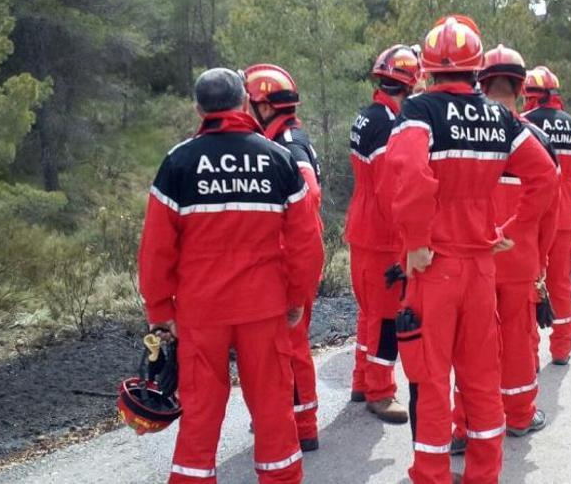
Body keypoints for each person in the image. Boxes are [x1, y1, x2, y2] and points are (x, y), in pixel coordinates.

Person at [386, 17, 558, 483]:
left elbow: (409, 173)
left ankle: (432, 474)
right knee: (483, 378)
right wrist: (512, 229)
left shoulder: (418, 111)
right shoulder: (499, 116)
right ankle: (485, 474)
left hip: (435, 267)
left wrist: (417, 242)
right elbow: (545, 178)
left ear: (427, 68)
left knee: (432, 378)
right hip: (482, 267)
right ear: (474, 68)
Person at [137, 68, 324, 483]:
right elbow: (307, 242)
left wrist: (159, 308)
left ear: (198, 108)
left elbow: (155, 248)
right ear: (243, 103)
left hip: (201, 313)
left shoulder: (178, 161)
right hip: (264, 308)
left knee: (201, 415)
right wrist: (297, 297)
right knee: (274, 413)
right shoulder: (277, 157)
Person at [451, 45, 559, 454]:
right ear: (520, 87)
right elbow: (549, 211)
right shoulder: (536, 139)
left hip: (472, 256)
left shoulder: (461, 133)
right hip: (517, 256)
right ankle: (518, 416)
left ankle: (464, 426)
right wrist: (540, 260)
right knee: (517, 338)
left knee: (470, 344)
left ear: (480, 83)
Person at [244, 63, 326, 451]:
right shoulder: (289, 137)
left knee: (289, 347)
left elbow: (307, 199)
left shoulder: (288, 146)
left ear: (264, 107)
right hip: (295, 253)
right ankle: (288, 418)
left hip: (291, 255)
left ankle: (301, 426)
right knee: (288, 345)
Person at [344, 45, 421, 424]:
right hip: (383, 236)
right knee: (386, 319)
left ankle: (361, 380)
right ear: (409, 85)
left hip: (363, 229)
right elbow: (391, 191)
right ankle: (380, 391)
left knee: (369, 312)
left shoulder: (368, 115)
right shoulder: (388, 126)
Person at [522, 66, 571, 365]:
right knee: (561, 282)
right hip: (566, 212)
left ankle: (529, 354)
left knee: (528, 282)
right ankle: (562, 346)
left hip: (533, 211)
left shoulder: (525, 124)